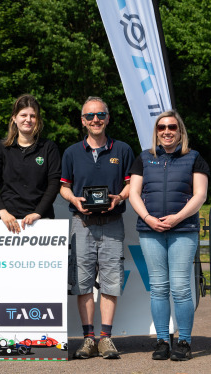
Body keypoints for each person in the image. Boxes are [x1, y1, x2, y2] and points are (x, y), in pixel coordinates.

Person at [128, 110, 209, 361]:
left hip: (183, 230)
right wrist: (148, 218)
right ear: (156, 131)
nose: (166, 131)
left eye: (172, 127)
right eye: (161, 127)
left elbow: (200, 196)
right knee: (159, 288)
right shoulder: (144, 158)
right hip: (150, 231)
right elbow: (133, 194)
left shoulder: (194, 158)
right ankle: (163, 340)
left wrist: (177, 218)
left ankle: (184, 341)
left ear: (180, 130)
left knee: (182, 288)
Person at [60, 96, 135, 359]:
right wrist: (74, 200)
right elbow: (64, 187)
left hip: (112, 225)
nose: (96, 120)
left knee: (110, 283)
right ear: (82, 121)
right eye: (90, 116)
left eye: (100, 115)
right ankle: (88, 339)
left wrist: (120, 198)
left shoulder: (122, 149)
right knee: (82, 284)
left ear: (108, 118)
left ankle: (106, 338)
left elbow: (131, 185)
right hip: (81, 224)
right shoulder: (71, 152)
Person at [0, 94, 61, 232]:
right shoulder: (1, 148)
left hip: (41, 221)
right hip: (7, 222)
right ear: (14, 118)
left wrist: (38, 213)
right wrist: (2, 212)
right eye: (23, 115)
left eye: (33, 116)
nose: (28, 120)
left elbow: (54, 184)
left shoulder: (49, 148)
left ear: (38, 119)